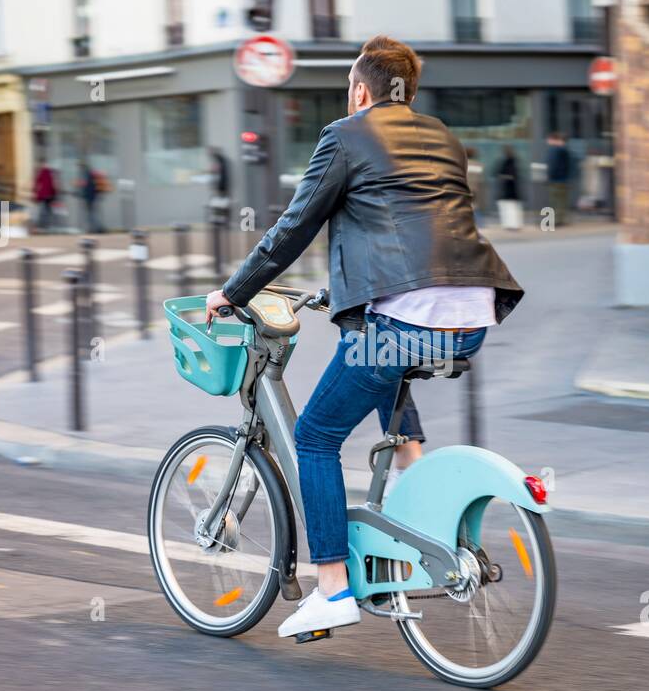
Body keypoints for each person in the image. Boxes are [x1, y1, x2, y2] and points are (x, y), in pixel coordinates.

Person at [205, 35, 522, 640]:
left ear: (359, 91)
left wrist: (234, 292)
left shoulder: (346, 136)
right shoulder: (443, 138)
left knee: (315, 435)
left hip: (406, 319)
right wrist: (350, 294)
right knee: (382, 361)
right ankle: (416, 483)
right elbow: (411, 224)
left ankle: (331, 588)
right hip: (471, 318)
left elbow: (294, 227)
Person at [545, 131, 571, 226]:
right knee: (561, 201)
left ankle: (555, 221)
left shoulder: (554, 150)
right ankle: (560, 220)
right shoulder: (564, 149)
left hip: (555, 180)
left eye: (548, 140)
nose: (547, 142)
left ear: (552, 139)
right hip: (563, 179)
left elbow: (552, 165)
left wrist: (549, 176)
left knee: (555, 201)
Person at [495, 146, 522, 231]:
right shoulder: (515, 162)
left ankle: (511, 224)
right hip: (512, 190)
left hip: (508, 190)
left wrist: (502, 176)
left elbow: (499, 173)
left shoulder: (507, 162)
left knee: (509, 207)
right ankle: (513, 224)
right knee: (512, 207)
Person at [76, 161, 103, 234]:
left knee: (90, 214)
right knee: (91, 213)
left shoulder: (86, 174)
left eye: (80, 167)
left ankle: (96, 228)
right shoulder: (89, 173)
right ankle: (96, 228)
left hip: (89, 197)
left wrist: (81, 191)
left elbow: (85, 185)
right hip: (92, 196)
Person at [32, 163, 58, 232]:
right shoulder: (50, 173)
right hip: (49, 196)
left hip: (42, 195)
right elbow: (53, 185)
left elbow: (37, 182)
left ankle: (41, 225)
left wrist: (35, 192)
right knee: (48, 210)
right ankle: (48, 225)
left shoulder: (42, 172)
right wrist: (54, 194)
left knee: (41, 210)